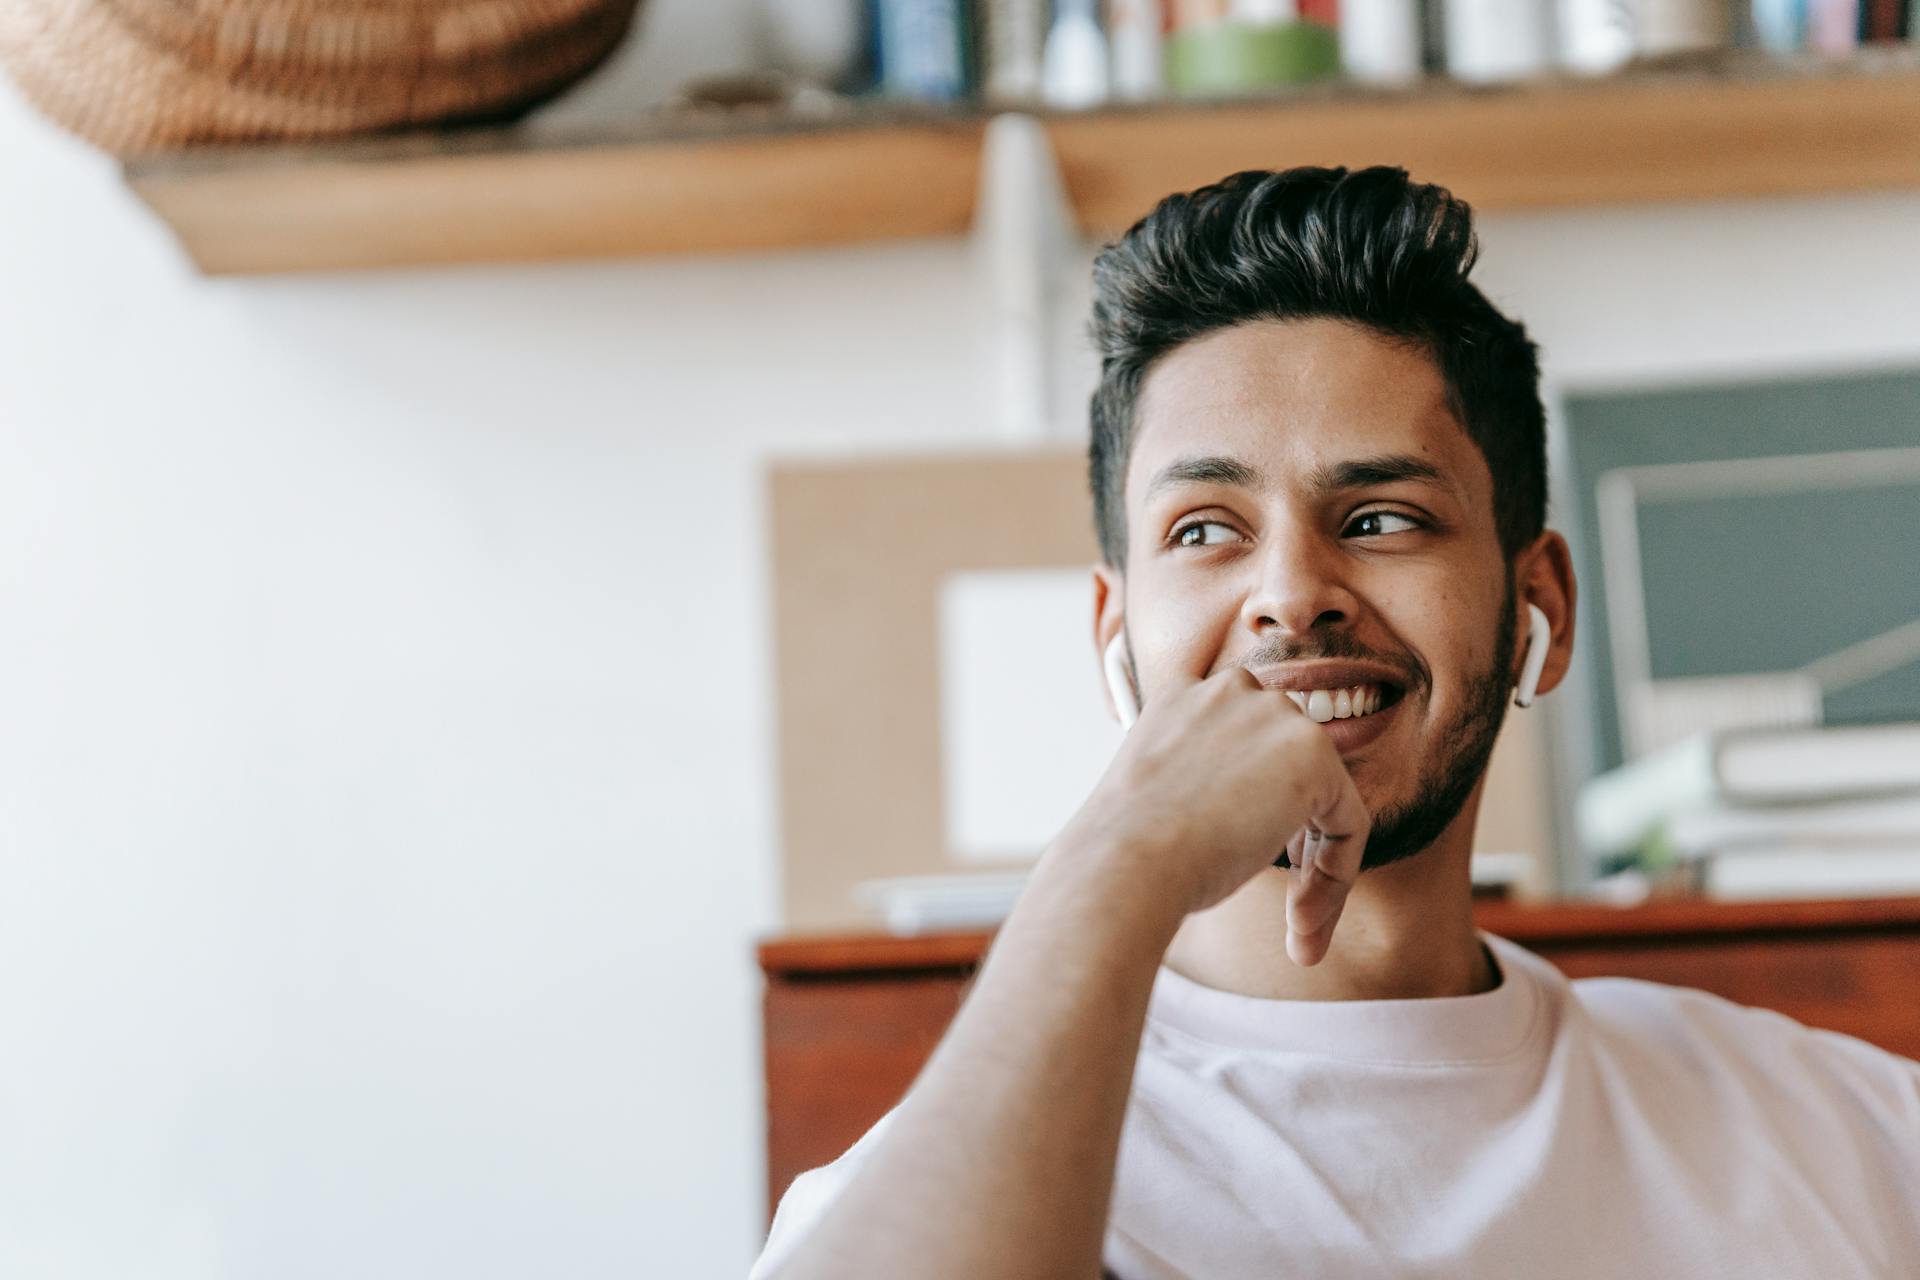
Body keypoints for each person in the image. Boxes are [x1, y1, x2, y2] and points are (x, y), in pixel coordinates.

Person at [748, 167, 1920, 1279]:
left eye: (1383, 516)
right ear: (1118, 633)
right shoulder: (913, 1201)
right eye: (1204, 529)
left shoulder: (1846, 1135)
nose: (1292, 588)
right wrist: (1123, 853)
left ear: (1539, 603)